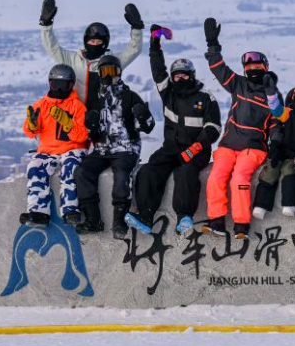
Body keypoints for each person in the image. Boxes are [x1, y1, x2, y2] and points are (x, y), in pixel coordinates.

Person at [125, 24, 222, 236]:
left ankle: (184, 217)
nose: (180, 79)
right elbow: (158, 70)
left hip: (195, 151)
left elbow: (213, 129)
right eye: (176, 76)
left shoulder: (206, 98)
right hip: (170, 148)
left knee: (186, 173)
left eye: (185, 75)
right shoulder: (168, 93)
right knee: (149, 170)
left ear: (192, 76)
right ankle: (145, 215)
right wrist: (155, 43)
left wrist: (195, 148)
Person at [201, 17, 286, 240]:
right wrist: (212, 45)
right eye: (249, 67)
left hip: (253, 148)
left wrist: (276, 144)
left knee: (239, 179)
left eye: (258, 66)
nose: (253, 70)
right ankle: (217, 220)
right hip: (228, 146)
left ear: (266, 68)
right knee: (216, 178)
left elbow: (278, 122)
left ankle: (241, 225)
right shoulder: (238, 84)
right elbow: (218, 68)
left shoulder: (273, 95)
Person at [74, 55, 155, 239]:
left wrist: (142, 116)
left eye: (113, 71)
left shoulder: (130, 96)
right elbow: (91, 135)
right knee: (82, 172)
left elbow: (148, 126)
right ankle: (93, 219)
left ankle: (119, 220)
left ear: (119, 72)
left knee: (121, 174)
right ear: (99, 74)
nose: (108, 76)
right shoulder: (95, 100)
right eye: (104, 71)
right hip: (102, 149)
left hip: (126, 148)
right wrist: (91, 127)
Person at [38, 0, 145, 111]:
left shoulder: (111, 62)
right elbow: (52, 47)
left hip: (103, 118)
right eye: (92, 41)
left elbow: (134, 50)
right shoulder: (73, 60)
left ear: (105, 43)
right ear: (86, 42)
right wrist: (46, 25)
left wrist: (137, 29)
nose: (95, 44)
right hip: (76, 115)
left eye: (99, 42)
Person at [20, 64, 89, 228]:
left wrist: (68, 124)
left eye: (63, 85)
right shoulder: (41, 105)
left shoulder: (77, 107)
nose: (58, 89)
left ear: (71, 85)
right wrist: (32, 125)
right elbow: (29, 132)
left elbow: (82, 136)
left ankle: (70, 210)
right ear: (49, 84)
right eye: (55, 85)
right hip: (48, 150)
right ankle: (38, 213)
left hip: (72, 149)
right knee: (35, 167)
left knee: (70, 168)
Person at [252, 86, 295, 219]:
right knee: (270, 170)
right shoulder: (288, 112)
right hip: (281, 151)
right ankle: (261, 205)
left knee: (290, 173)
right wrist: (271, 93)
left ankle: (289, 204)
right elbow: (275, 109)